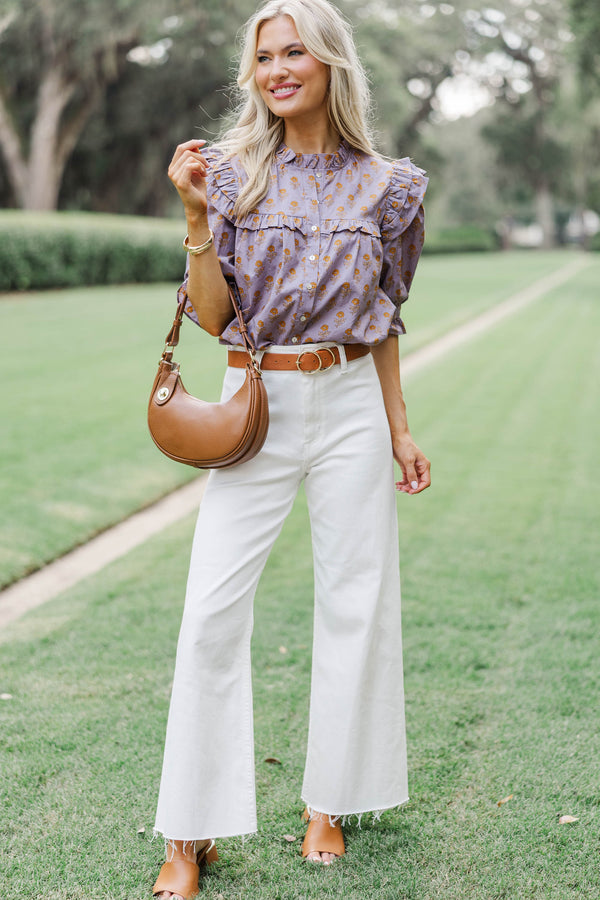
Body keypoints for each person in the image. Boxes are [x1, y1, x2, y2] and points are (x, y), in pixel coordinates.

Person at [152, 0, 430, 896]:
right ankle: (190, 833)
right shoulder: (228, 176)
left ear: (331, 65)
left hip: (350, 397)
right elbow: (213, 316)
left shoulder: (389, 187)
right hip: (255, 397)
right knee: (210, 613)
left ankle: (329, 806)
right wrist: (196, 217)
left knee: (357, 600)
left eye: (294, 53)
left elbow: (386, 315)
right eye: (263, 56)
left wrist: (396, 422)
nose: (276, 69)